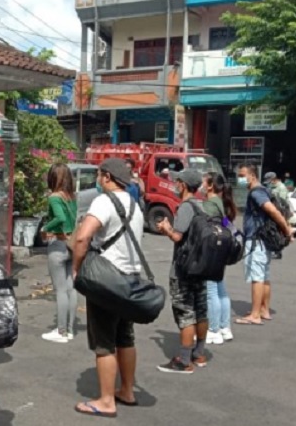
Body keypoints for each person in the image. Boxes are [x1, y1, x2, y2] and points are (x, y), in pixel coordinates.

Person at [71, 158, 145, 417]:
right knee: (125, 337)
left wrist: (76, 268)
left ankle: (105, 401)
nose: (98, 179)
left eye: (100, 174)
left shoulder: (104, 201)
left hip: (106, 281)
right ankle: (127, 390)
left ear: (108, 177)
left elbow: (83, 237)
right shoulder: (134, 203)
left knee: (104, 342)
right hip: (131, 279)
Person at [155, 169, 209, 373]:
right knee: (200, 311)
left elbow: (177, 236)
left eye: (177, 181)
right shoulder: (202, 205)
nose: (175, 185)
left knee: (185, 313)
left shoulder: (186, 207)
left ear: (184, 185)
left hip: (183, 269)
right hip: (200, 267)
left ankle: (184, 361)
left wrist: (166, 228)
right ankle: (199, 354)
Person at [236, 164, 294, 325]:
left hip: (256, 240)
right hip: (262, 240)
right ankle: (264, 310)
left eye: (242, 175)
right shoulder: (263, 190)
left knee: (257, 277)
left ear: (252, 176)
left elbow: (273, 211)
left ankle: (255, 315)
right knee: (264, 276)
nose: (240, 179)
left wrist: (286, 230)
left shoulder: (256, 193)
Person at [40, 164, 78, 343]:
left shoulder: (54, 197)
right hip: (71, 245)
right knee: (71, 288)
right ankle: (70, 329)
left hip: (58, 245)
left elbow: (60, 218)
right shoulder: (72, 197)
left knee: (60, 290)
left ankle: (61, 331)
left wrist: (45, 228)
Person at [201, 172, 238, 346]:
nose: (201, 185)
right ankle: (224, 327)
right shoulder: (220, 203)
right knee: (221, 289)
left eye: (203, 182)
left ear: (210, 186)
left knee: (211, 292)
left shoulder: (209, 204)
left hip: (212, 249)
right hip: (222, 248)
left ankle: (213, 329)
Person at [264, 172, 289, 260]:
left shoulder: (281, 188)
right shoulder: (270, 187)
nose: (269, 183)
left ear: (274, 179)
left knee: (278, 231)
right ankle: (273, 248)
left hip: (280, 212)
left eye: (270, 181)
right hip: (272, 211)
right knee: (272, 230)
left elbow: (282, 202)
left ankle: (278, 251)